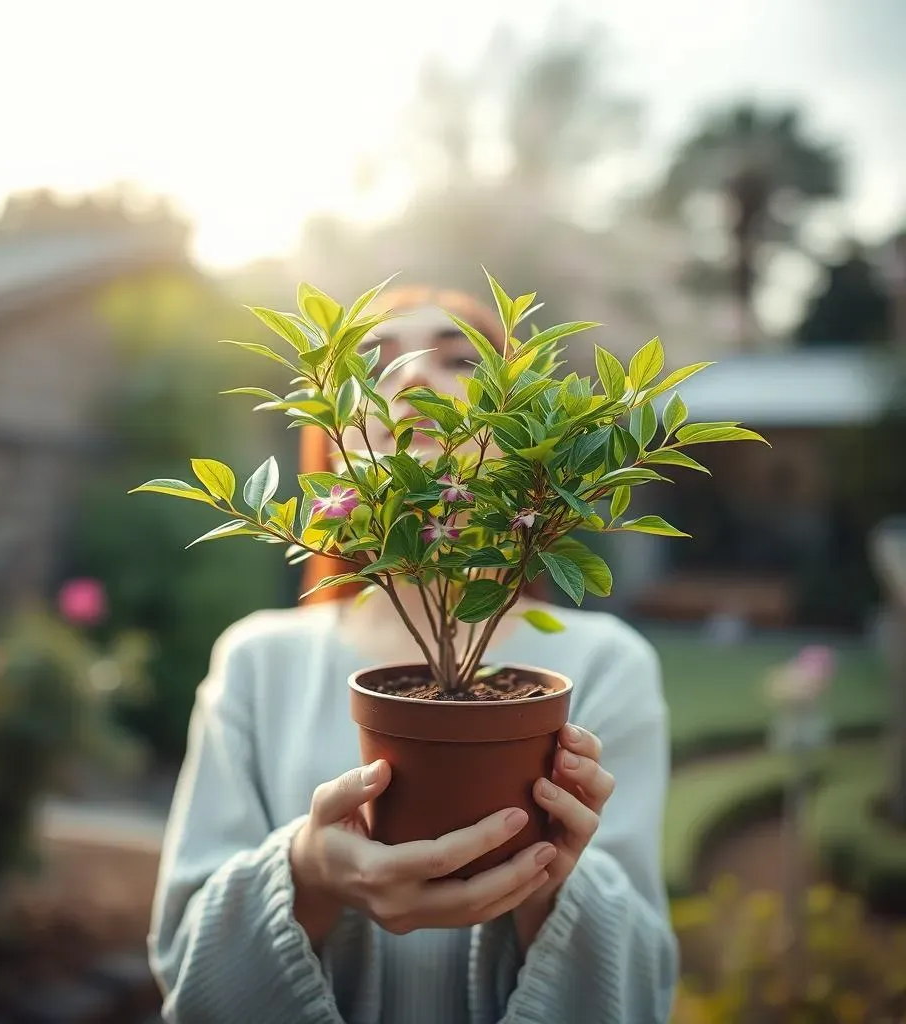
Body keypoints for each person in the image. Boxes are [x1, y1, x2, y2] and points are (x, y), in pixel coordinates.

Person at [148, 286, 678, 1023]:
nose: (415, 377)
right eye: (374, 363)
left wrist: (556, 886)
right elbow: (185, 967)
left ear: (528, 436)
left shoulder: (603, 666)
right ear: (334, 441)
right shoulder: (257, 661)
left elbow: (643, 983)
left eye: (461, 358)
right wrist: (307, 872)